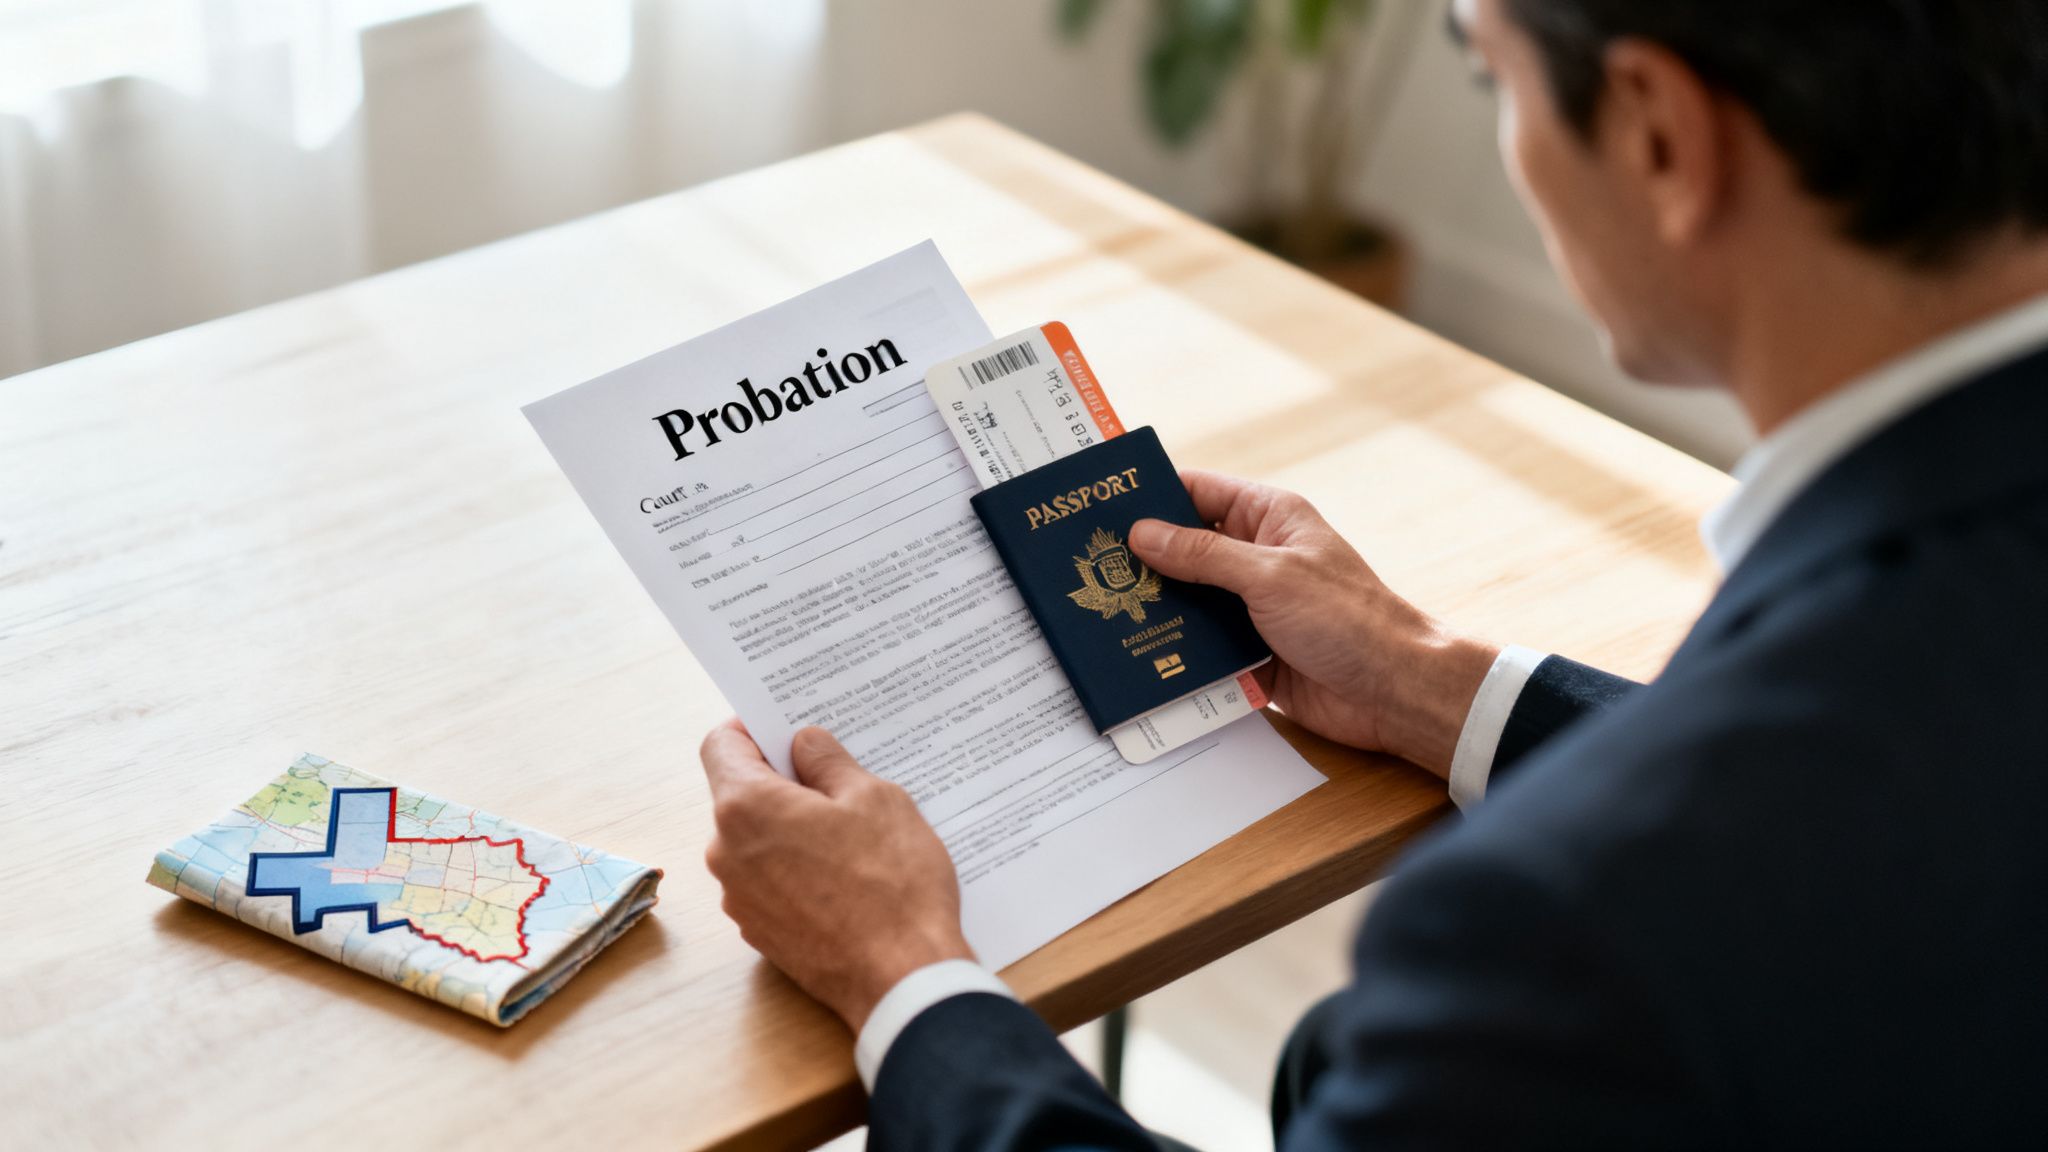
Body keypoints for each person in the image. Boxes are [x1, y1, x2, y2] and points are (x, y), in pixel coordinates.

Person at [697, 0, 2048, 1145]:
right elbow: (1852, 817)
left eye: (1492, 76)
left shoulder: (1555, 928)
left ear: (1655, 133)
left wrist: (902, 971)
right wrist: (1427, 685)